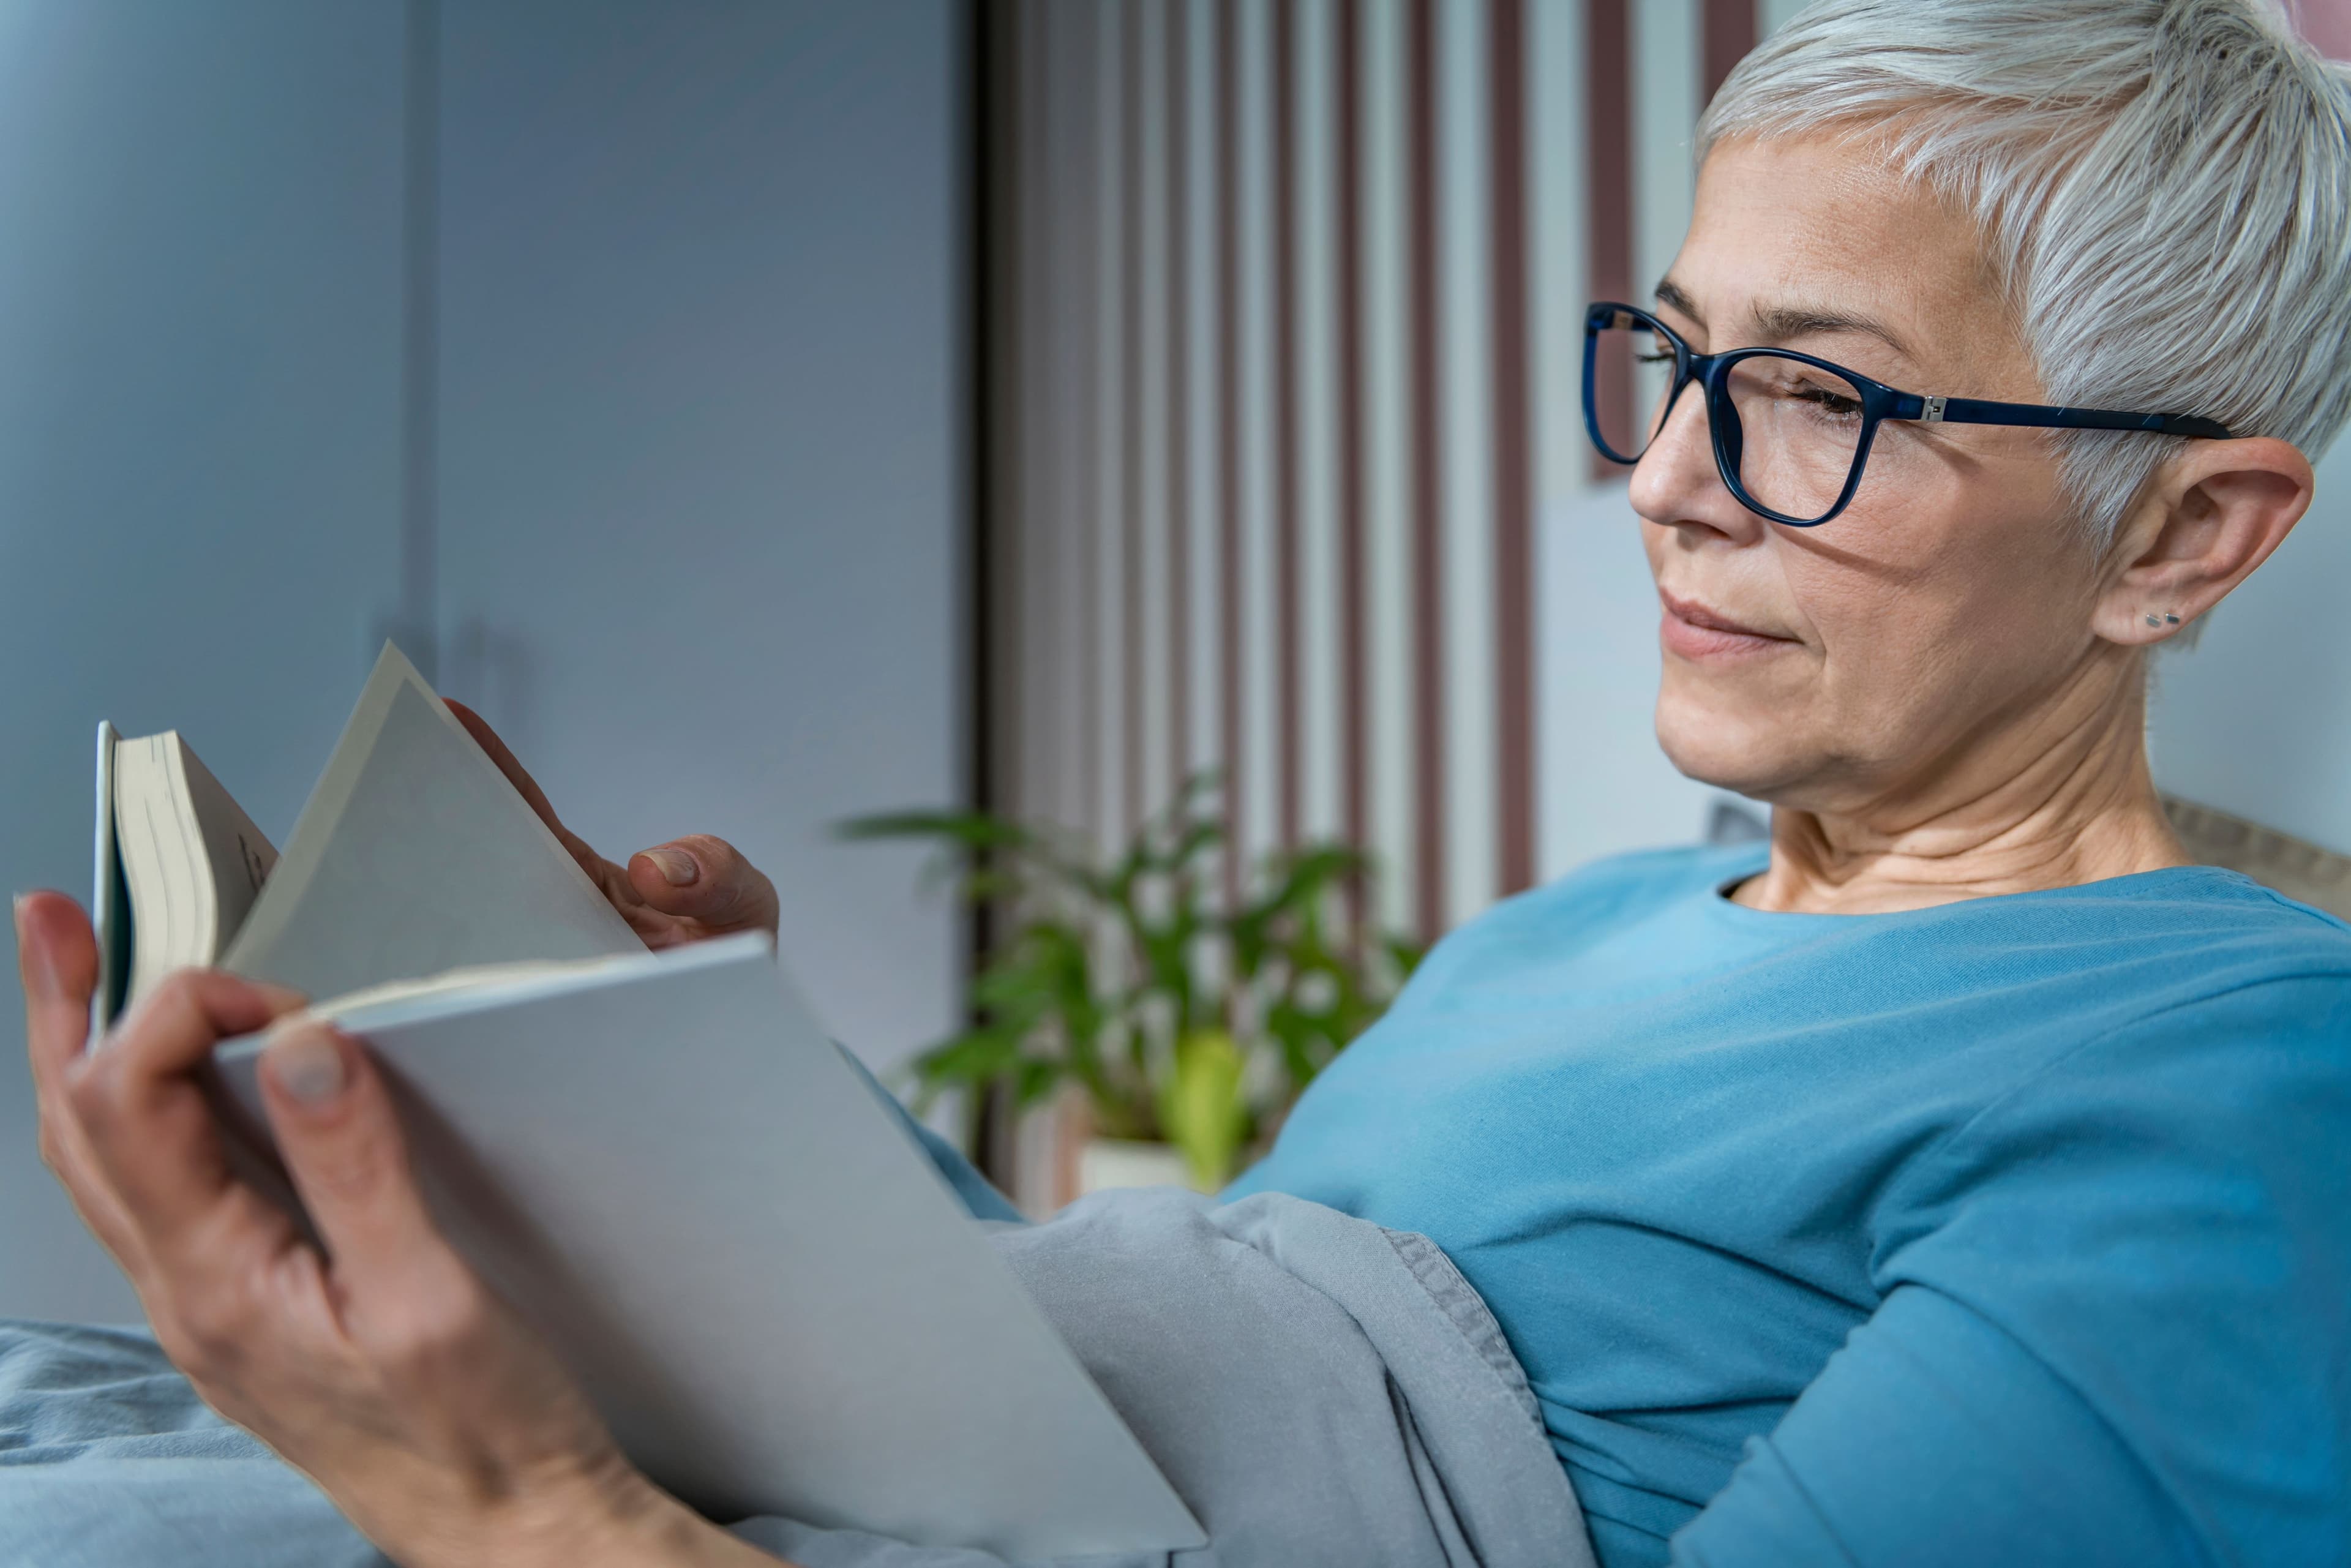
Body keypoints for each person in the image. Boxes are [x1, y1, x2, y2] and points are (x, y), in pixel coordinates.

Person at [13, 1, 2351, 1563]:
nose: (1668, 484)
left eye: (1822, 403)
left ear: (2185, 532)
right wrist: (709, 1070)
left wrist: (531, 1504)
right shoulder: (1578, 928)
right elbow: (1057, 1359)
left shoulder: (2242, 1078)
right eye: (1673, 360)